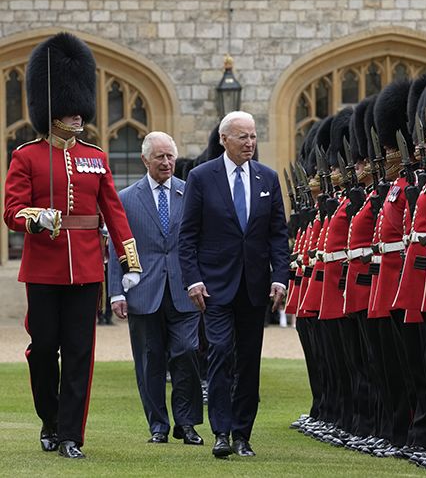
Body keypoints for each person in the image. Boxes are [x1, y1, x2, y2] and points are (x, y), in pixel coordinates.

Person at [3, 32, 141, 459]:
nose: (79, 116)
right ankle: (48, 420)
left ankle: (69, 435)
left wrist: (128, 260)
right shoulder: (26, 156)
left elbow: (114, 212)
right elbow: (11, 209)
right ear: (54, 112)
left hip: (85, 269)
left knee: (81, 353)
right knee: (44, 350)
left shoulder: (95, 157)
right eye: (71, 110)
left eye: (81, 109)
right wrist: (35, 218)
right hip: (42, 267)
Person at [179, 110, 290, 458]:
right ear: (224, 139)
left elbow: (278, 236)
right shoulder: (201, 177)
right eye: (243, 137)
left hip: (254, 286)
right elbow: (187, 236)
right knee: (220, 353)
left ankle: (243, 435)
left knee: (248, 362)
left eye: (254, 136)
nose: (250, 143)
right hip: (214, 286)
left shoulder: (267, 179)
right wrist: (193, 280)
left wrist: (279, 278)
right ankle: (221, 433)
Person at [108, 131, 204, 446]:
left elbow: (200, 241)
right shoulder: (125, 199)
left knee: (187, 353)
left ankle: (187, 424)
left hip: (184, 289)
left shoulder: (190, 193)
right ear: (145, 159)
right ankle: (158, 426)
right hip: (143, 292)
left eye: (170, 157)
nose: (166, 163)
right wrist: (116, 292)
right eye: (160, 157)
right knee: (149, 360)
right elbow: (116, 248)